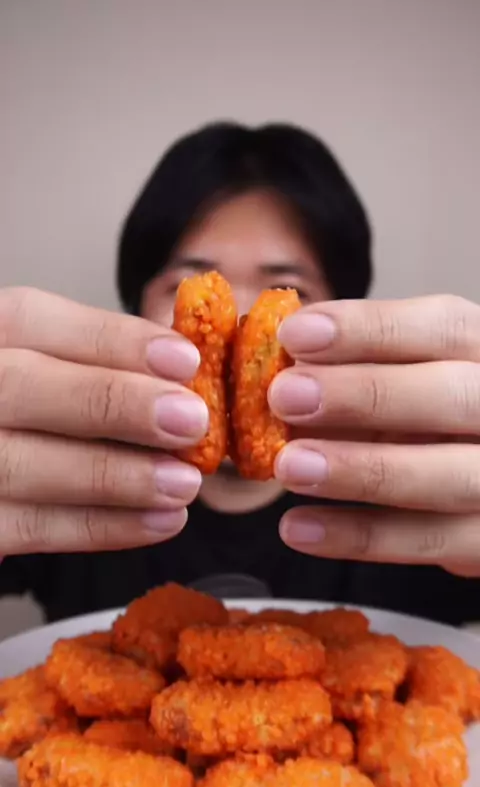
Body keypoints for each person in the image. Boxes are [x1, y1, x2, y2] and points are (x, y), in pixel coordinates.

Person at [0, 121, 479, 626]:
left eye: (287, 288)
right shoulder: (61, 479)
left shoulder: (422, 496)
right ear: (134, 311)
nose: (237, 324)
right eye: (188, 285)